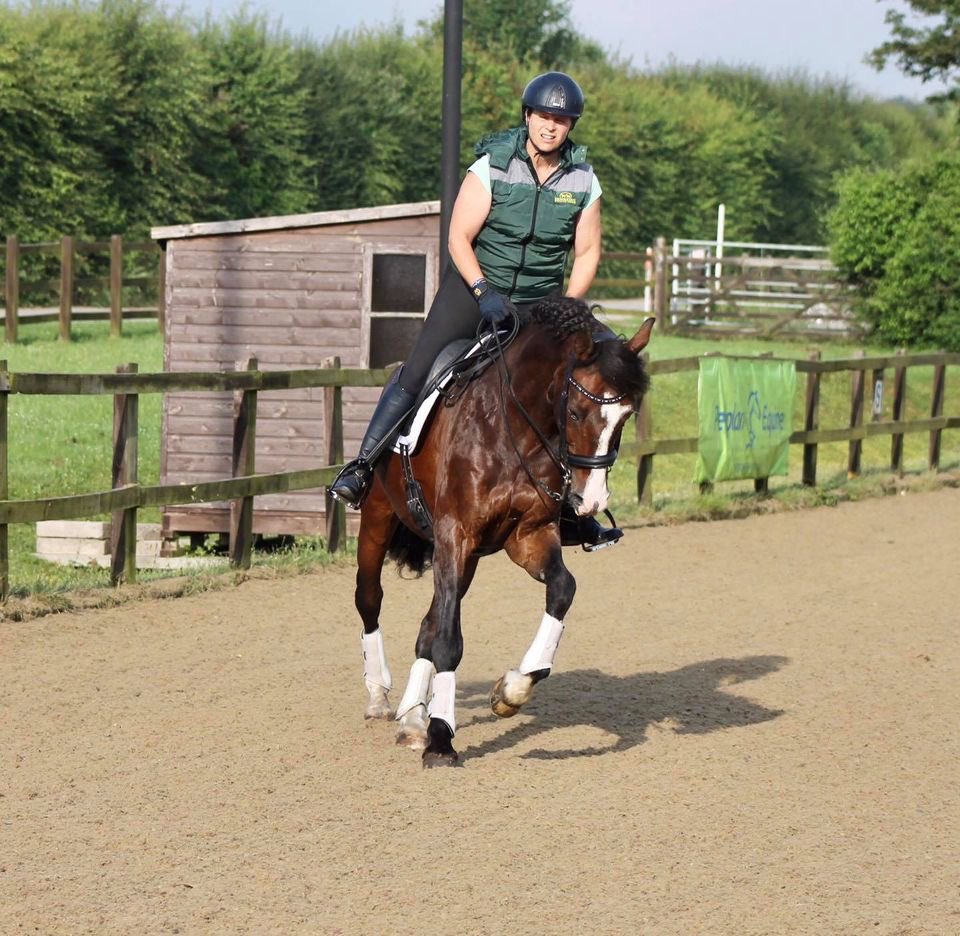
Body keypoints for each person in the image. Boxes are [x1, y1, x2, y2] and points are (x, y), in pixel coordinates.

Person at [330, 71, 621, 548]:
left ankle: (576, 507)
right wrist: (484, 290)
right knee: (420, 368)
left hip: (541, 302)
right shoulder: (491, 166)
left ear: (571, 126)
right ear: (528, 116)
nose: (551, 127)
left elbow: (586, 252)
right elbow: (458, 237)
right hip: (474, 290)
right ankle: (362, 468)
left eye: (561, 120)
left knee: (583, 384)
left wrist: (569, 305)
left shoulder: (584, 180)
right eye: (544, 116)